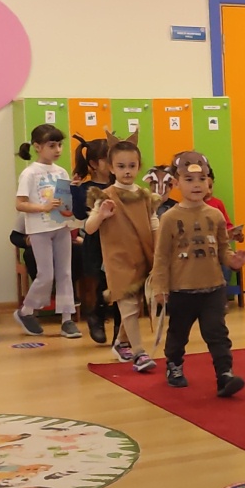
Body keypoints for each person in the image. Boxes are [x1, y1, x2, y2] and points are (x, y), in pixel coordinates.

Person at [153, 151, 245, 394]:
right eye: (189, 179)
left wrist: (233, 261)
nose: (196, 185)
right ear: (176, 183)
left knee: (217, 333)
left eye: (202, 179)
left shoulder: (215, 215)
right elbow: (161, 256)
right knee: (178, 333)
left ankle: (224, 374)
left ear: (208, 182)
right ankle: (174, 366)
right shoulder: (169, 218)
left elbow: (223, 249)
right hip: (181, 290)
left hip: (213, 288)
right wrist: (160, 288)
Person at [87, 140, 159, 373]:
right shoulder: (105, 196)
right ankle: (139, 352)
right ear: (111, 168)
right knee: (127, 305)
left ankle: (120, 342)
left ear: (139, 166)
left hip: (142, 256)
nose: (127, 171)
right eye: (121, 166)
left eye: (132, 166)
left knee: (135, 304)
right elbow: (89, 228)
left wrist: (159, 252)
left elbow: (154, 224)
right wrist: (101, 215)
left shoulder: (145, 196)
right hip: (117, 260)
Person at [14, 124, 80, 339]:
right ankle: (26, 310)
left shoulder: (61, 172)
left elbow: (64, 202)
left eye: (59, 145)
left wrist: (72, 189)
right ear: (37, 147)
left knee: (65, 273)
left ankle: (67, 319)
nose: (58, 150)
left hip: (61, 227)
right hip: (39, 230)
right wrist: (43, 207)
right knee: (45, 275)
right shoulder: (29, 173)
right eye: (52, 145)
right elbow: (20, 204)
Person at [71, 136, 115, 343]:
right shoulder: (85, 187)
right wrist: (74, 190)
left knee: (116, 282)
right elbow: (80, 214)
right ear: (94, 164)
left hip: (116, 239)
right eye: (107, 159)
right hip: (95, 240)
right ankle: (95, 316)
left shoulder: (118, 185)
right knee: (98, 281)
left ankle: (119, 327)